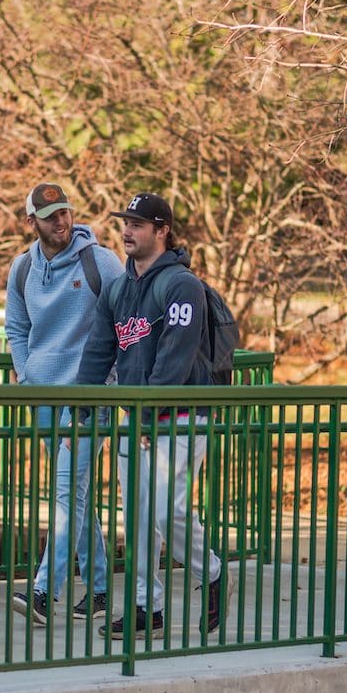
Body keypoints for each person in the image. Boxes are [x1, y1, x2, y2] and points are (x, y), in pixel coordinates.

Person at [73, 192, 229, 640]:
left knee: (165, 508)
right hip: (138, 421)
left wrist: (144, 415)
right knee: (138, 516)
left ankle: (212, 570)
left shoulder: (182, 285)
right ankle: (147, 609)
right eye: (126, 222)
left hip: (181, 416)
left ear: (162, 231)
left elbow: (175, 361)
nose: (128, 231)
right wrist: (80, 413)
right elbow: (98, 352)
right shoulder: (119, 289)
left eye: (139, 224)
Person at [5, 183, 125, 625]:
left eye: (65, 212)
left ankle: (42, 591)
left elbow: (124, 323)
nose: (61, 221)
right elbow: (17, 329)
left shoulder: (101, 262)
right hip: (44, 398)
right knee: (75, 496)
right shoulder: (22, 270)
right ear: (31, 222)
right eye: (51, 215)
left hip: (89, 399)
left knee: (63, 494)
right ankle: (96, 590)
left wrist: (107, 385)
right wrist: (27, 375)